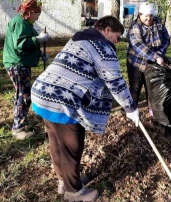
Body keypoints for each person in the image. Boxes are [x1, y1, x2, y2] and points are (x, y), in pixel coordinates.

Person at [31, 16, 139, 202]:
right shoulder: (102, 47)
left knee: (56, 143)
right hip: (65, 100)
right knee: (72, 146)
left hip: (44, 93)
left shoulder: (78, 38)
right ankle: (74, 192)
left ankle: (64, 181)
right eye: (116, 36)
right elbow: (115, 81)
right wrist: (130, 107)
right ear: (106, 29)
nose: (116, 41)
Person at [3, 0, 49, 140]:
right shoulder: (19, 23)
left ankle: (19, 124)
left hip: (20, 63)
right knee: (24, 96)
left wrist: (41, 54)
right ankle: (18, 130)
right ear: (29, 12)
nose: (38, 16)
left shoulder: (25, 23)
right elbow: (20, 44)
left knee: (21, 95)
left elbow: (27, 42)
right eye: (37, 13)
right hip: (17, 64)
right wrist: (38, 39)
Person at [126, 2, 170, 123]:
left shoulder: (159, 23)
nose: (149, 18)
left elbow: (166, 39)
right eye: (146, 16)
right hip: (136, 63)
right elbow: (138, 46)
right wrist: (155, 56)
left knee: (152, 88)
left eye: (150, 15)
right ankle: (132, 113)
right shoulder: (135, 27)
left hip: (154, 63)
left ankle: (152, 113)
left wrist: (160, 53)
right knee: (135, 88)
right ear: (139, 15)